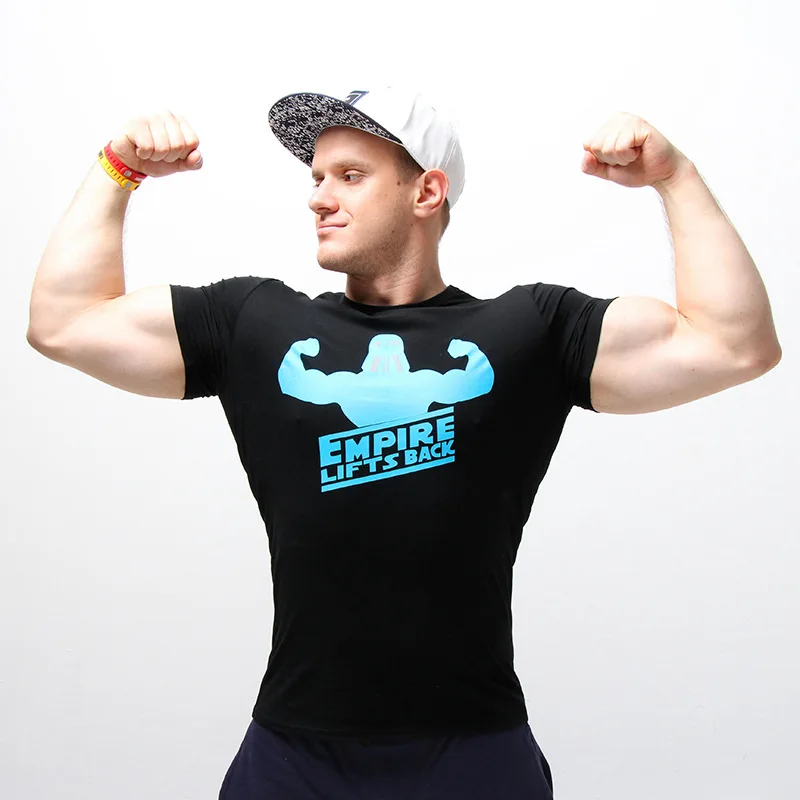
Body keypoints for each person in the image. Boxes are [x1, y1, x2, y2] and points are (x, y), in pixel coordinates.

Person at [26, 86, 781, 799]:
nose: (318, 196)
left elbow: (733, 345)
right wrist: (117, 169)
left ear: (427, 192)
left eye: (350, 175)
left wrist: (674, 177)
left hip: (473, 752)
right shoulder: (258, 323)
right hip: (295, 756)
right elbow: (64, 324)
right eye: (317, 176)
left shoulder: (526, 332)